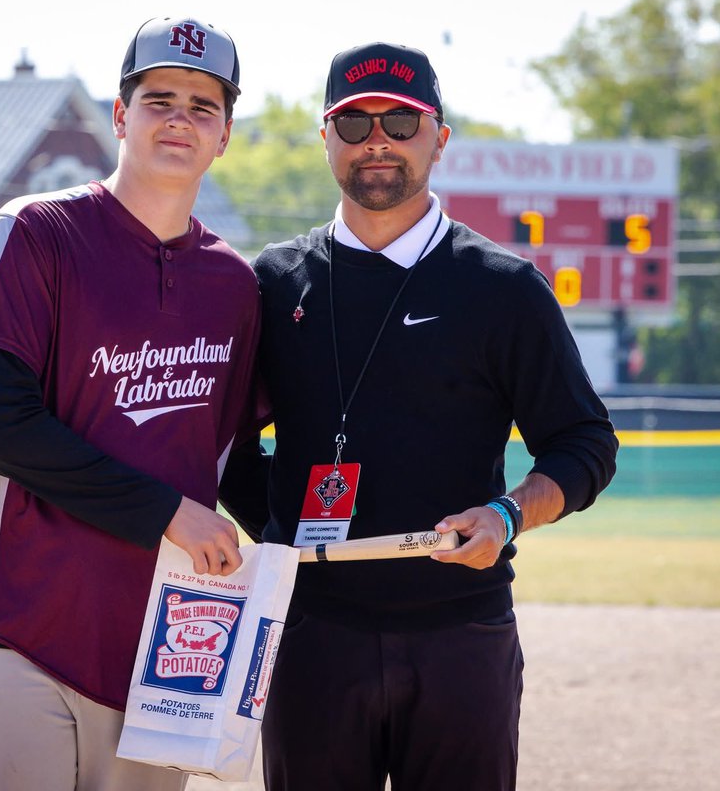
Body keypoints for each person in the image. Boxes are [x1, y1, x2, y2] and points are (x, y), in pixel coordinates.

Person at [220, 42, 619, 791]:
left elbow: (585, 442)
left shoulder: (503, 288)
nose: (377, 140)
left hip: (460, 632)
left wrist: (506, 515)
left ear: (439, 138)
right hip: (310, 636)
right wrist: (288, 536)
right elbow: (225, 445)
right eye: (354, 122)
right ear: (326, 139)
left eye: (401, 122)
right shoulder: (270, 284)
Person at [0, 16, 259, 791]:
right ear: (119, 115)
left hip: (165, 648)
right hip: (18, 623)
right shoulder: (32, 233)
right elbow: (7, 430)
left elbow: (232, 461)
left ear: (224, 136)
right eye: (159, 100)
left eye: (203, 106)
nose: (179, 119)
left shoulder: (235, 287)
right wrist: (168, 513)